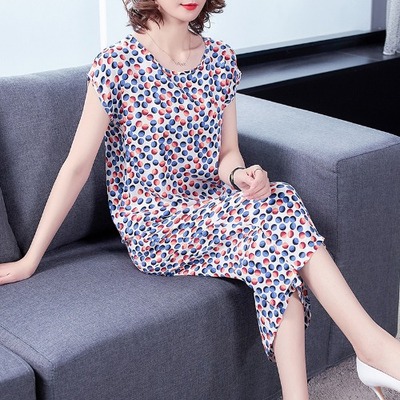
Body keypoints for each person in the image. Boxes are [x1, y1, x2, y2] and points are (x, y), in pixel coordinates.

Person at [0, 0, 399, 398]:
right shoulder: (116, 65)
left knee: (277, 248)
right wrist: (31, 259)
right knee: (282, 207)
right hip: (154, 225)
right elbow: (77, 166)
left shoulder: (221, 60)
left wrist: (242, 177)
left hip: (211, 205)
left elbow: (228, 153)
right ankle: (374, 347)